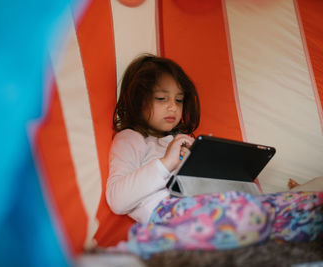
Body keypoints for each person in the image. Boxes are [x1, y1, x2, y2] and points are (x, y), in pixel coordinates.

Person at [106, 54, 323, 257]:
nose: (173, 106)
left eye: (179, 100)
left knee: (305, 202)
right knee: (258, 216)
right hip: (171, 213)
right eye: (162, 98)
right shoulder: (131, 138)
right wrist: (166, 163)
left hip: (211, 204)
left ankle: (295, 205)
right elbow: (117, 199)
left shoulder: (179, 138)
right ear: (137, 101)